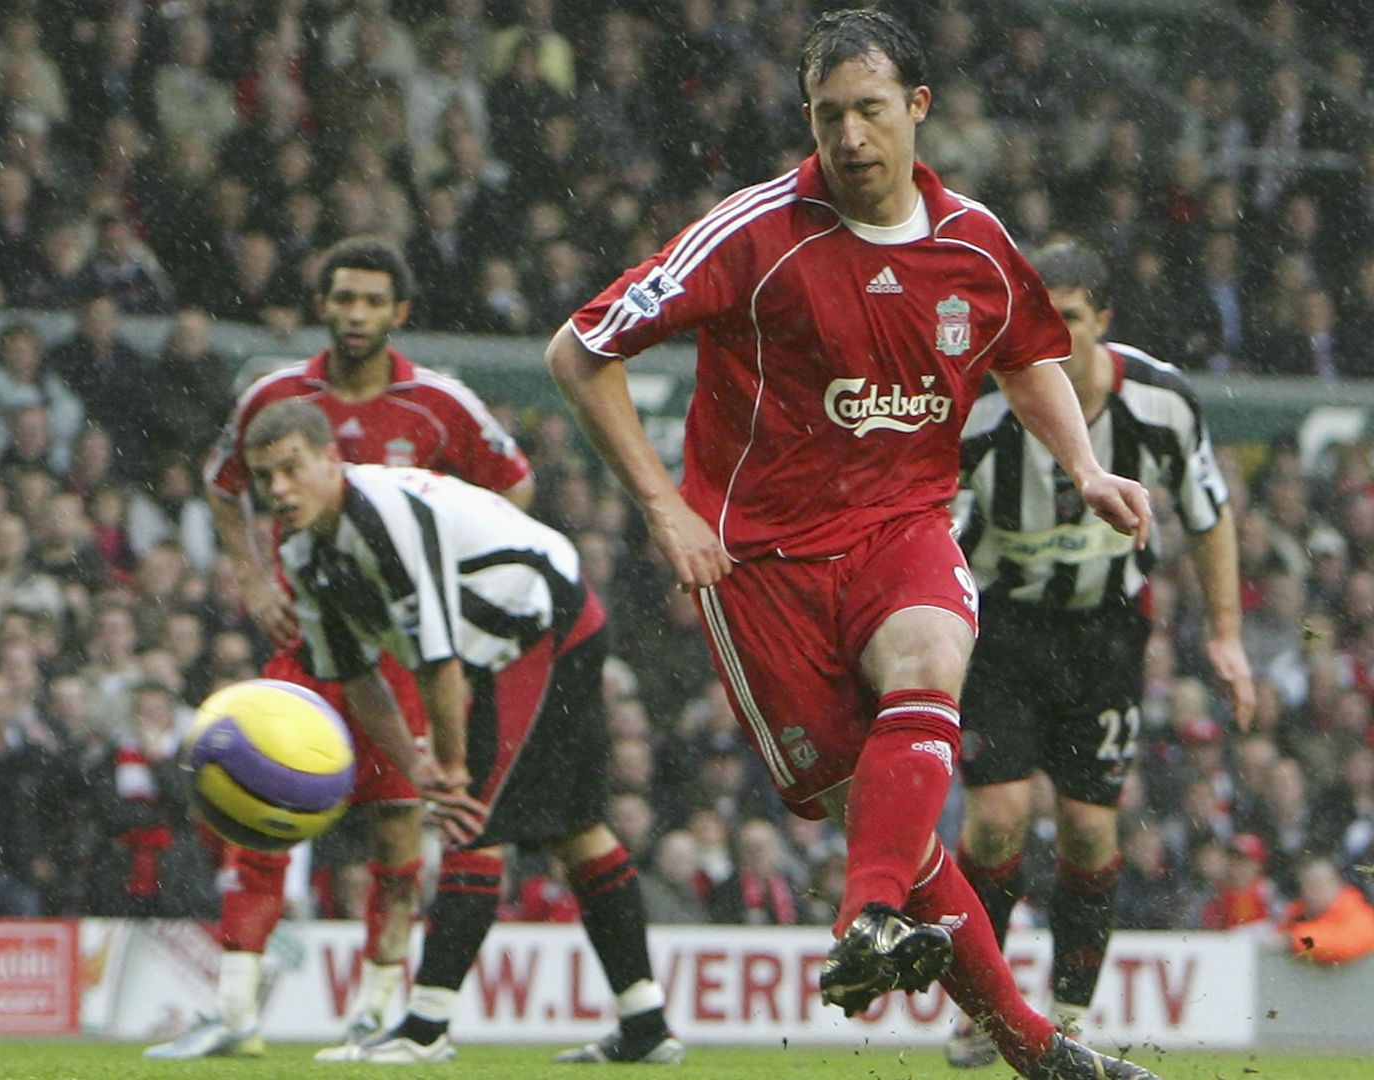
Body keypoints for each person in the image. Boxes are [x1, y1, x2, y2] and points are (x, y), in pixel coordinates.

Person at [544, 10, 1156, 1080]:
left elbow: (1025, 355)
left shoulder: (973, 242)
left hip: (903, 523)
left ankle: (864, 924)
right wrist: (662, 507)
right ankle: (1032, 1045)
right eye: (829, 116)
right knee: (885, 823)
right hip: (762, 566)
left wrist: (1084, 468)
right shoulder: (751, 234)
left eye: (872, 110)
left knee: (930, 666)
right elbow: (578, 349)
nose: (852, 137)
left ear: (917, 108)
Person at [147, 238, 534, 1060]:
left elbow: (515, 487)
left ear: (399, 313)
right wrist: (255, 584)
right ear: (321, 303)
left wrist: (455, 590)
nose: (354, 313)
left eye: (371, 301)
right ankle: (235, 1012)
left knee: (399, 831)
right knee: (260, 811)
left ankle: (375, 1011)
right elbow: (223, 487)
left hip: (403, 646)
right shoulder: (274, 397)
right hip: (312, 639)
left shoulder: (442, 404)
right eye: (341, 298)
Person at [238, 399, 679, 1064]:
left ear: (332, 459)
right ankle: (646, 1026)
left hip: (543, 623)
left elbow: (438, 660)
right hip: (520, 636)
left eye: (291, 469)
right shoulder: (303, 554)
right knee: (576, 830)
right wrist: (420, 773)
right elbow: (361, 681)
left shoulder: (381, 518)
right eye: (264, 477)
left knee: (472, 823)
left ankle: (425, 1028)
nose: (277, 489)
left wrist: (449, 772)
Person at [947, 243, 1252, 1068]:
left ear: (1103, 321)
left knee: (1086, 830)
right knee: (999, 817)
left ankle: (1070, 1014)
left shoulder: (1161, 403)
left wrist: (1225, 632)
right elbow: (924, 508)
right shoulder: (979, 399)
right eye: (1038, 317)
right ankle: (985, 1009)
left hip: (1106, 631)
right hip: (1003, 627)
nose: (1051, 335)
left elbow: (1208, 514)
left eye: (1069, 318)